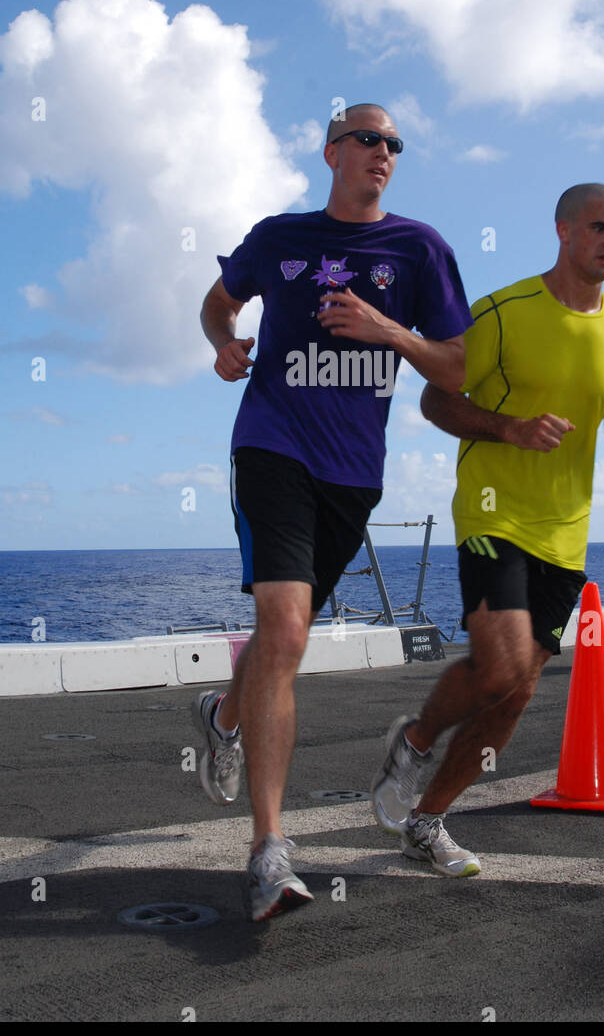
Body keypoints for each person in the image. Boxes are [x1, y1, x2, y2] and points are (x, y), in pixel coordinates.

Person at [198, 103, 472, 920]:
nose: (383, 153)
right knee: (282, 630)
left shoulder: (419, 249)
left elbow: (455, 366)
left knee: (290, 636)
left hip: (355, 474)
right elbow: (219, 302)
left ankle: (221, 716)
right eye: (368, 139)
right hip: (273, 445)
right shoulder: (279, 238)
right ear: (331, 152)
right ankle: (269, 850)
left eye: (394, 144)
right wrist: (222, 342)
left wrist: (389, 328)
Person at [371, 182, 604, 876]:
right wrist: (509, 428)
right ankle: (413, 741)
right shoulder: (504, 310)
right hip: (493, 512)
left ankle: (426, 820)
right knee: (498, 666)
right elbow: (436, 399)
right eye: (599, 228)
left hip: (566, 534)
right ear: (563, 230)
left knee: (517, 690)